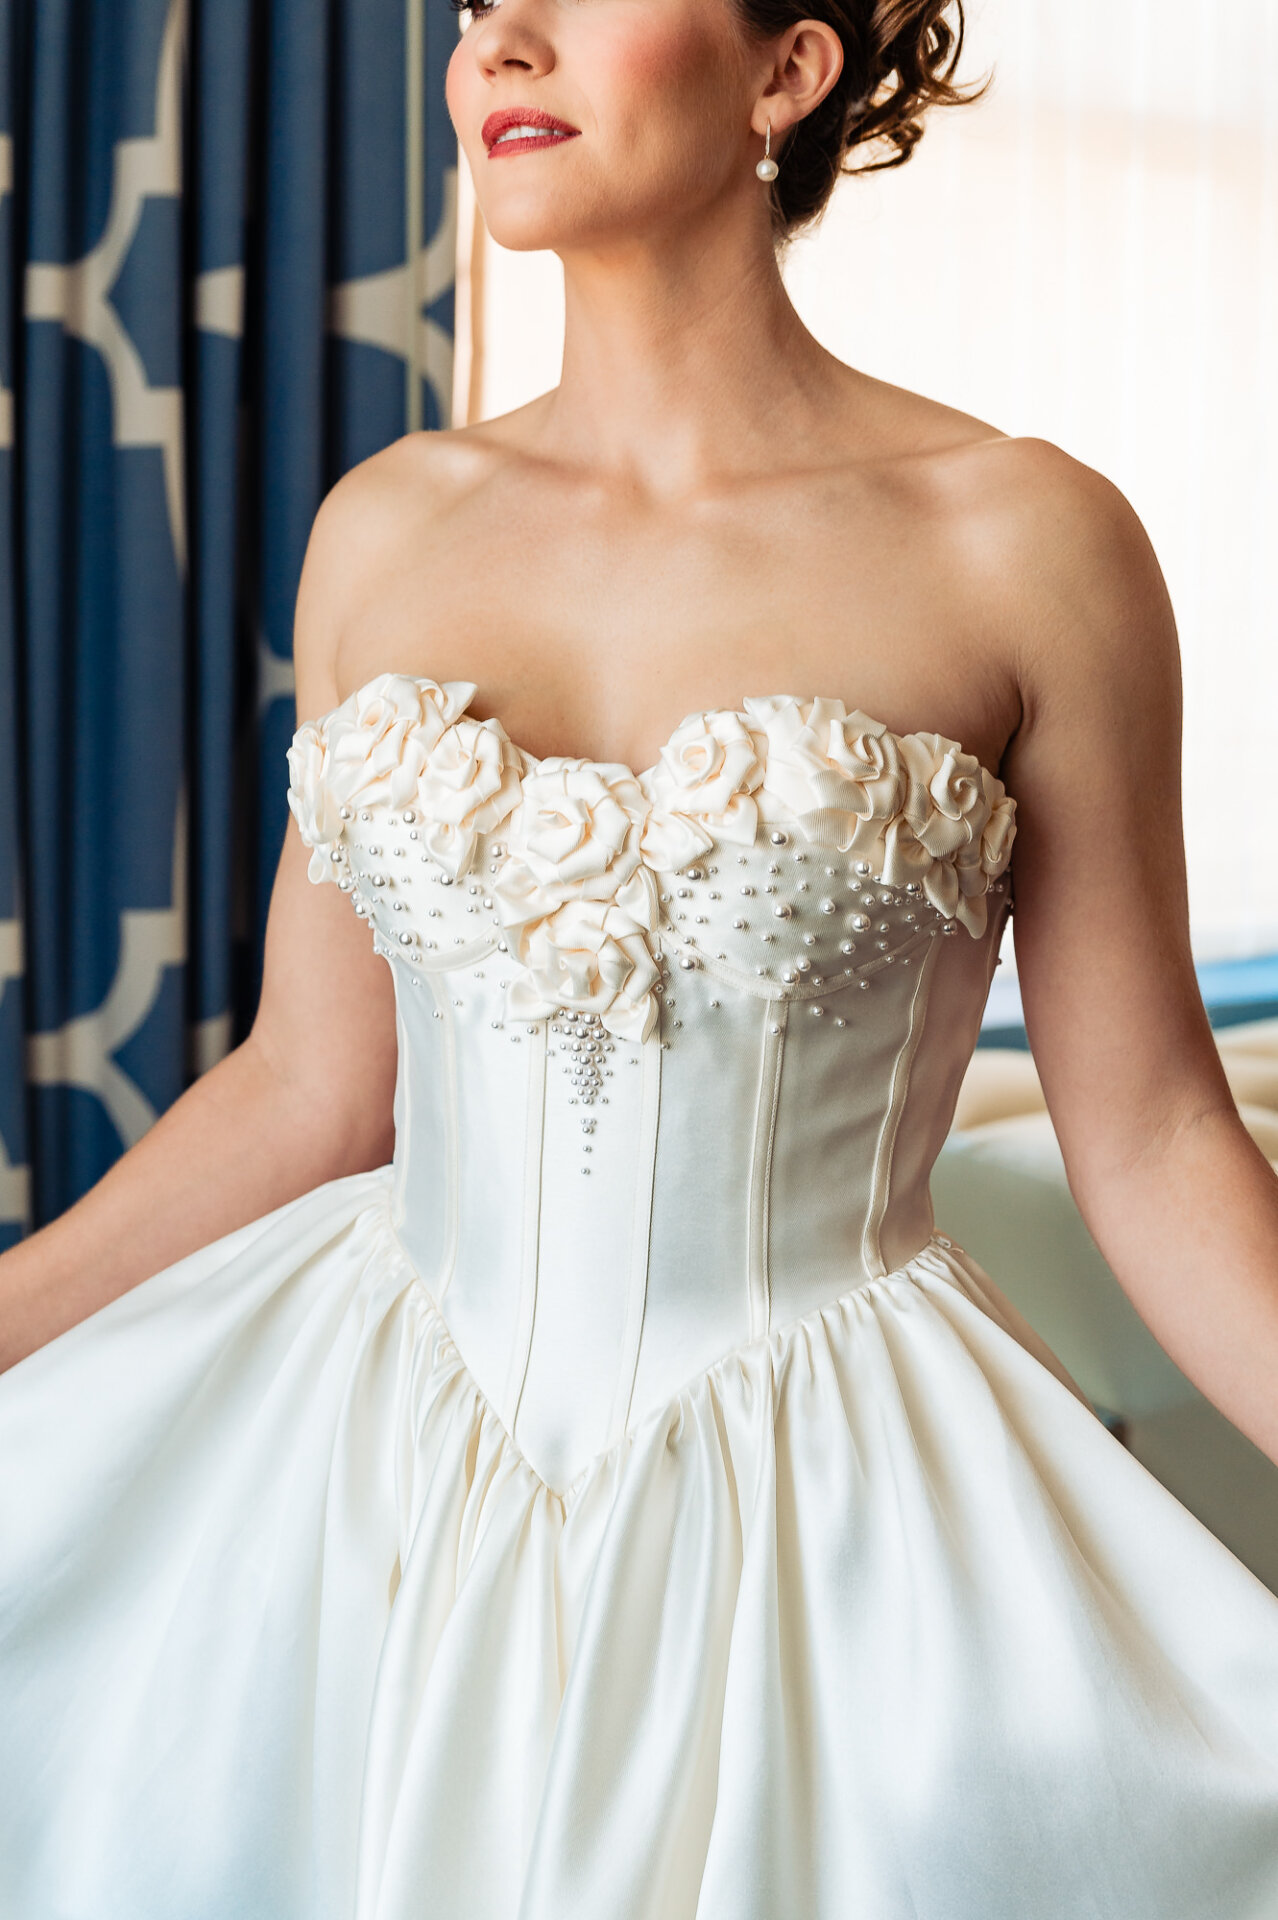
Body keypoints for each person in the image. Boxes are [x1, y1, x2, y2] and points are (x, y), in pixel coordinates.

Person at [3, 0, 1278, 1913]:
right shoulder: (387, 529)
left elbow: (1160, 1136)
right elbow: (310, 1084)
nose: (497, 41)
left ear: (788, 71)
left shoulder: (1023, 541)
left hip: (828, 1517)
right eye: (475, 7)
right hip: (367, 1493)